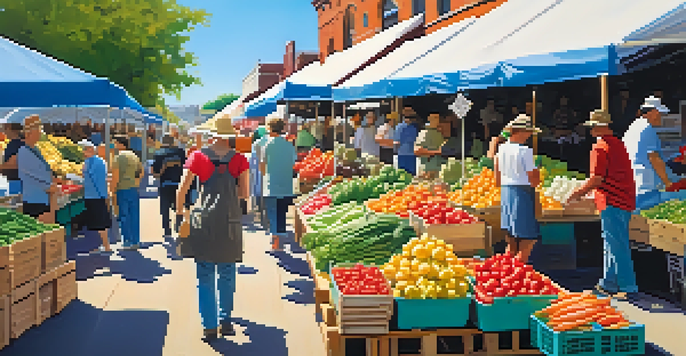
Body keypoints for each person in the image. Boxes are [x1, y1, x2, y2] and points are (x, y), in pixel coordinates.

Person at [175, 115, 249, 341]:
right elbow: (244, 193)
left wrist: (180, 213)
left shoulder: (197, 157)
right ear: (230, 137)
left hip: (203, 220)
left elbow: (182, 190)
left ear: (213, 135)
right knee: (227, 273)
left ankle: (209, 326)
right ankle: (225, 320)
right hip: (229, 221)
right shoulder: (239, 160)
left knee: (205, 274)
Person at [567, 110, 637, 300]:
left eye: (592, 127)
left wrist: (576, 194)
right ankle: (608, 284)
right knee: (611, 242)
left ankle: (628, 286)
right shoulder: (618, 143)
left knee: (617, 245)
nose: (590, 131)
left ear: (598, 127)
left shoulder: (600, 147)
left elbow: (596, 178)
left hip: (612, 201)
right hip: (624, 199)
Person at [494, 114, 541, 263]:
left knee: (512, 240)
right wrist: (537, 176)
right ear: (520, 132)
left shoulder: (501, 149)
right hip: (522, 194)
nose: (528, 136)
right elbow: (534, 180)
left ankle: (507, 271)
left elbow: (497, 177)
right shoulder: (525, 151)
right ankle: (519, 272)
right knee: (528, 239)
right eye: (528, 132)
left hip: (506, 193)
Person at [623, 96, 682, 211]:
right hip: (645, 186)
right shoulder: (647, 128)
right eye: (660, 114)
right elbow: (654, 158)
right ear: (654, 112)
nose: (661, 118)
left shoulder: (633, 127)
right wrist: (668, 183)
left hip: (632, 183)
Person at [260, 118, 297, 251]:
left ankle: (275, 242)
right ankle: (278, 241)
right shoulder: (289, 145)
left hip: (271, 184)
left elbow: (262, 165)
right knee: (282, 212)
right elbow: (293, 164)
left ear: (269, 128)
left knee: (272, 212)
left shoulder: (267, 145)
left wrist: (265, 175)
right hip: (286, 184)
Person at [17, 115, 57, 221]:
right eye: (38, 130)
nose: (40, 132)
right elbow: (37, 174)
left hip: (42, 199)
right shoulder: (23, 152)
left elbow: (44, 170)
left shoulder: (35, 150)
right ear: (29, 133)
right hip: (34, 200)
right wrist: (51, 185)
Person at [110, 135, 143, 250]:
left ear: (120, 144)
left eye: (115, 143)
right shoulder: (134, 156)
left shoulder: (118, 157)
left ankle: (127, 241)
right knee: (134, 215)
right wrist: (136, 183)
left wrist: (112, 190)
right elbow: (141, 172)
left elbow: (116, 176)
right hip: (133, 188)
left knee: (124, 215)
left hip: (122, 189)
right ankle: (135, 240)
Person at [79, 139, 112, 253]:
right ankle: (105, 245)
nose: (82, 153)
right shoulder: (101, 161)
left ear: (89, 150)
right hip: (101, 194)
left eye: (83, 150)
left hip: (93, 195)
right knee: (101, 222)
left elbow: (86, 178)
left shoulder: (89, 162)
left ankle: (104, 246)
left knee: (98, 223)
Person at [153, 135, 187, 237]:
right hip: (179, 183)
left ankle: (167, 231)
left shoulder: (159, 153)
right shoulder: (181, 152)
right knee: (179, 206)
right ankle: (180, 226)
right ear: (173, 142)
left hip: (165, 184)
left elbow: (155, 173)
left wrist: (163, 169)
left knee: (165, 208)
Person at [414, 113, 446, 179]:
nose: (437, 120)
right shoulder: (423, 133)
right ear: (429, 119)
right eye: (434, 118)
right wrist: (436, 152)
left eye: (438, 118)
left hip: (438, 170)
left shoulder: (439, 134)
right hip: (426, 170)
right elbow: (417, 150)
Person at [394, 107, 420, 175]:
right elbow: (396, 141)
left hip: (411, 154)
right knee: (402, 175)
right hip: (403, 154)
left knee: (411, 175)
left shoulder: (415, 127)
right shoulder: (399, 127)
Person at [0, 123, 25, 195]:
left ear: (9, 127)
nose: (4, 132)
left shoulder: (14, 145)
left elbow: (14, 164)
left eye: (4, 128)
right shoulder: (21, 143)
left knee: (15, 203)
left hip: (16, 182)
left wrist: (1, 167)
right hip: (20, 181)